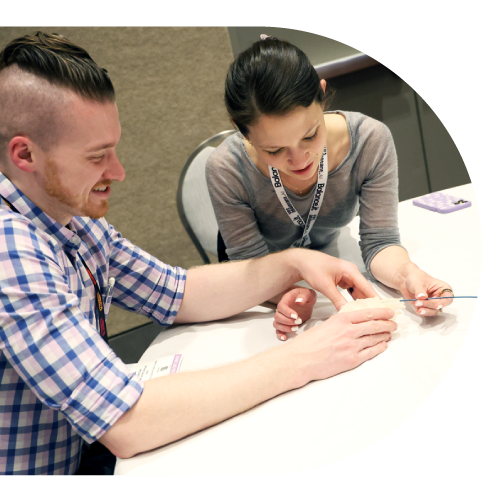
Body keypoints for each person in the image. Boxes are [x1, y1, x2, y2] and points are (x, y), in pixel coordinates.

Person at [0, 32, 402, 476]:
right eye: (97, 157)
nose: (118, 172)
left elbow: (180, 291)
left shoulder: (70, 219)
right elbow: (127, 423)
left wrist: (294, 263)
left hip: (81, 444)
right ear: (25, 155)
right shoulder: (10, 251)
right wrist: (310, 355)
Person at [206, 35, 455, 340]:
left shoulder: (369, 142)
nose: (298, 160)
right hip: (263, 287)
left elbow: (379, 242)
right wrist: (288, 296)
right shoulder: (227, 169)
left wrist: (408, 275)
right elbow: (249, 268)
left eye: (310, 135)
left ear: (322, 96)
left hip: (329, 268)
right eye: (273, 150)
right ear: (239, 128)